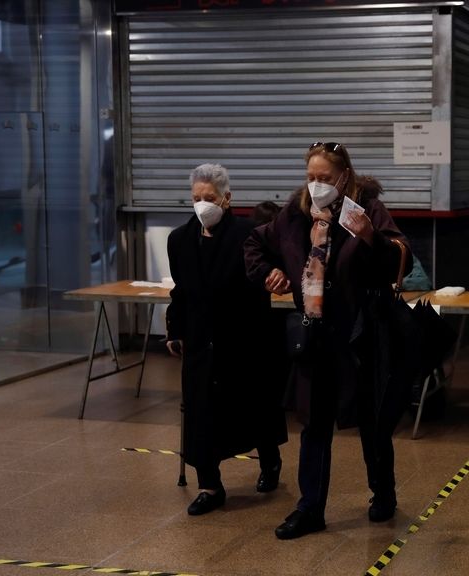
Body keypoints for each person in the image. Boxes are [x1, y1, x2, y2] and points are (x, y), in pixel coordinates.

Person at [244, 141, 411, 540]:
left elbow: (400, 258)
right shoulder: (296, 212)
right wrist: (269, 273)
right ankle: (310, 508)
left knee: (371, 420)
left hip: (360, 333)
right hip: (315, 332)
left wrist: (371, 237)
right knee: (314, 422)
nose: (316, 184)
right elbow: (254, 244)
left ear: (344, 176)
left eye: (325, 177)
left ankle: (383, 492)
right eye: (311, 177)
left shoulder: (366, 208)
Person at [165, 163, 287, 516]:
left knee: (254, 406)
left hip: (243, 336)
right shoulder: (180, 239)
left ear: (227, 198)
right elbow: (181, 290)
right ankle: (209, 485)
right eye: (196, 198)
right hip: (201, 340)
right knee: (200, 411)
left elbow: (267, 274)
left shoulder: (249, 235)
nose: (202, 204)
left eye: (210, 197)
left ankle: (270, 461)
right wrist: (175, 329)